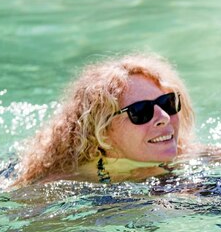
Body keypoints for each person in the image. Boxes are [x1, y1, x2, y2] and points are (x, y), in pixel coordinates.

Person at [14, 53, 196, 186]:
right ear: (102, 132)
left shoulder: (188, 154)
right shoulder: (66, 184)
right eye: (141, 111)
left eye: (167, 103)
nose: (164, 117)